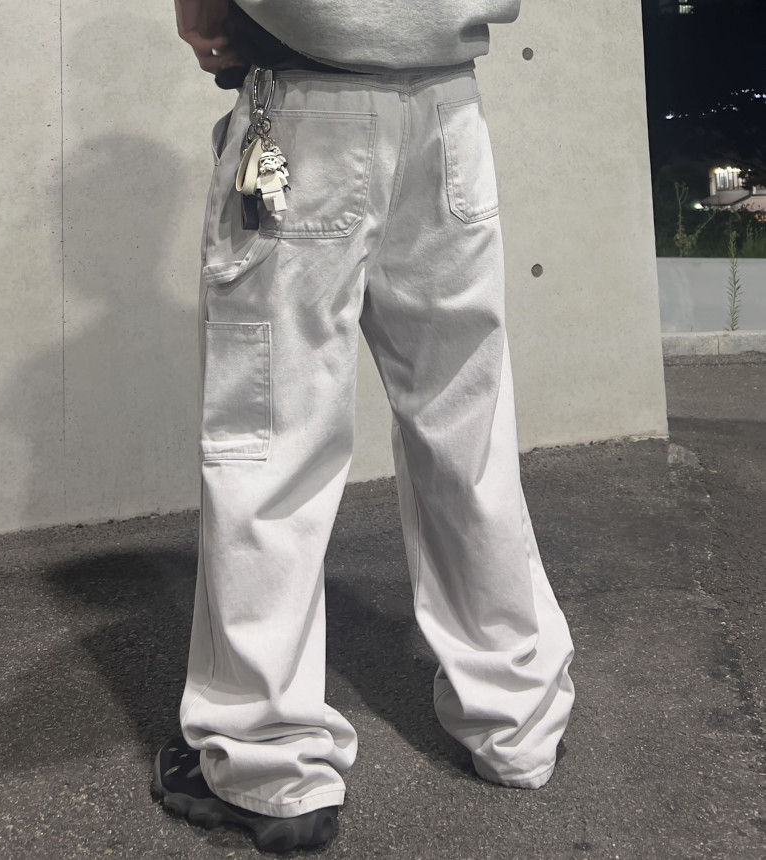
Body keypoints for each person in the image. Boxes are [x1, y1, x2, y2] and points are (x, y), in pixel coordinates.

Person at [152, 0, 575, 852]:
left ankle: (270, 763)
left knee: (272, 440)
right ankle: (518, 722)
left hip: (308, 105)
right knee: (467, 431)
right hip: (449, 110)